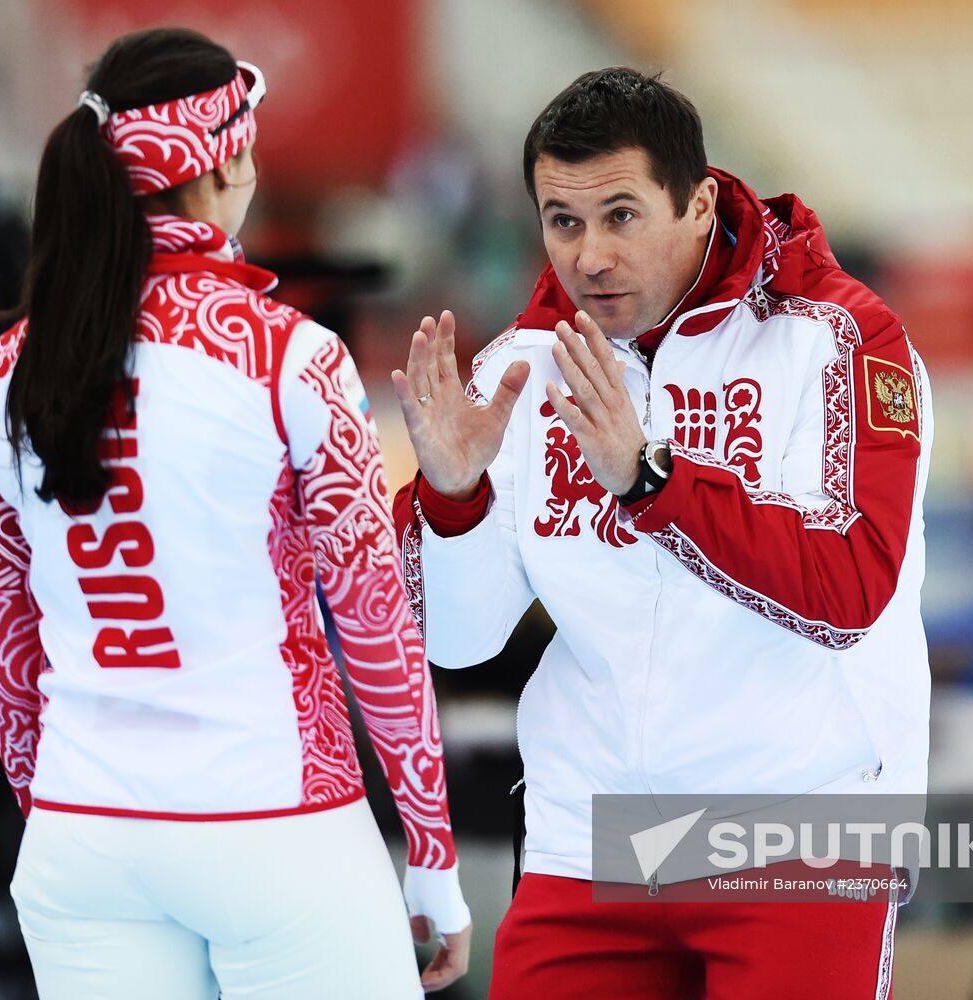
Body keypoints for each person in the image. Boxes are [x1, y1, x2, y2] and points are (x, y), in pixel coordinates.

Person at [392, 67, 932, 998]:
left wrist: (652, 482)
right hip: (589, 834)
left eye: (621, 216)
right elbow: (457, 637)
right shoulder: (527, 368)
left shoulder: (835, 338)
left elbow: (849, 591)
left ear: (699, 203)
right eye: (562, 222)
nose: (589, 255)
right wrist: (450, 498)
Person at [0, 28, 470, 999]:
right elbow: (374, 619)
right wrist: (432, 849)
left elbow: (4, 651)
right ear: (225, 164)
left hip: (83, 838)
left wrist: (66, 824)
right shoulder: (290, 357)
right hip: (276, 829)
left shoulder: (0, 374)